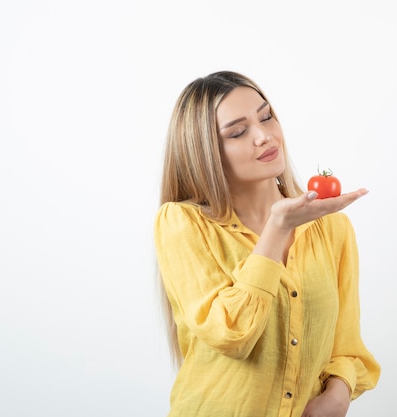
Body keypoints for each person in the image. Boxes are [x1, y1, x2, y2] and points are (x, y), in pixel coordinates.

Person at [153, 70, 380, 417]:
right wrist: (277, 228)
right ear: (206, 152)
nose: (264, 136)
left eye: (266, 116)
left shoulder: (333, 229)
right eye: (239, 132)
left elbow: (346, 348)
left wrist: (339, 393)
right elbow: (232, 334)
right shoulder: (182, 224)